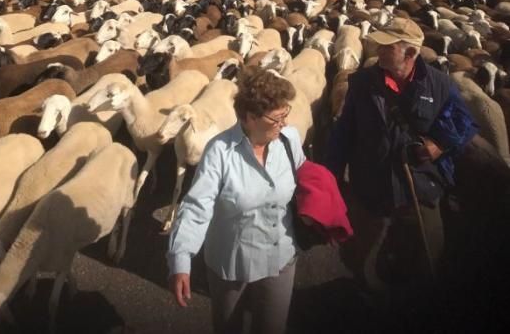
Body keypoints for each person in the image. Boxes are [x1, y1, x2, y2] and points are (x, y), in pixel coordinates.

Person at [327, 17, 477, 284]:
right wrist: (332, 176)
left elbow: (464, 122)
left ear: (410, 52)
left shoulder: (439, 84)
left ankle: (411, 301)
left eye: (388, 47)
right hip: (371, 181)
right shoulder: (362, 83)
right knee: (358, 247)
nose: (379, 51)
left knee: (427, 249)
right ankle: (360, 287)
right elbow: (344, 131)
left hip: (418, 185)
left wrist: (440, 143)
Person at [167, 68, 305, 334]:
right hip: (231, 263)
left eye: (285, 114)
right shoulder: (219, 151)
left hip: (280, 258)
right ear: (250, 118)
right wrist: (180, 259)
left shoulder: (290, 140)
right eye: (277, 118)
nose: (284, 124)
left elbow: (305, 181)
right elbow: (197, 207)